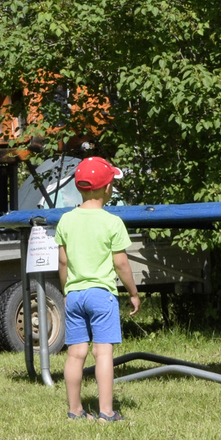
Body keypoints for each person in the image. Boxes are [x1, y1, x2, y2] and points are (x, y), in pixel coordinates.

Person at [54, 156, 141, 421]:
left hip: (75, 295)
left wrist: (66, 291)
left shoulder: (66, 220)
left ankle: (75, 411)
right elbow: (121, 264)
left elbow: (62, 262)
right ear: (107, 188)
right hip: (102, 295)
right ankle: (106, 412)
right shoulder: (112, 222)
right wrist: (133, 293)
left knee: (75, 354)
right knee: (103, 353)